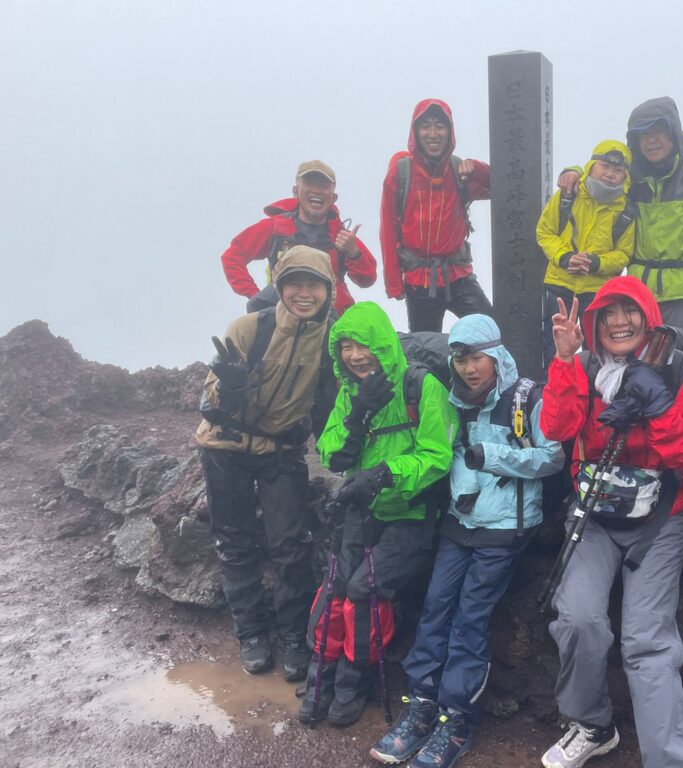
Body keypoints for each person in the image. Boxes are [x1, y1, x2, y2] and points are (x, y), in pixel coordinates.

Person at [367, 314, 564, 767]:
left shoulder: (526, 397)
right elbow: (447, 455)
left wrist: (490, 456)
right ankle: (421, 706)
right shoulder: (455, 400)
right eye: (460, 359)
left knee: (470, 618)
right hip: (461, 522)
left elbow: (552, 457)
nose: (469, 368)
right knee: (437, 606)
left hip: (505, 529)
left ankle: (457, 718)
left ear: (496, 355)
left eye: (477, 358)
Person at [539, 276, 683, 768]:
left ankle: (671, 759)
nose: (619, 322)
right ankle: (591, 724)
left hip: (659, 519)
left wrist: (656, 403)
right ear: (593, 324)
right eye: (607, 314)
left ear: (649, 316)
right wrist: (566, 360)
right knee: (577, 618)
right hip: (594, 515)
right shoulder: (587, 368)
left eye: (629, 311)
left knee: (647, 640)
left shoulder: (681, 373)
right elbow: (557, 428)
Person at [297, 301, 457, 727]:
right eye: (346, 347)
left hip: (410, 512)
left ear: (382, 344)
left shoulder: (421, 387)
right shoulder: (351, 392)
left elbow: (437, 457)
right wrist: (359, 414)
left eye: (363, 345)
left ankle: (354, 681)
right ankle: (320, 679)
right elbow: (331, 453)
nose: (354, 355)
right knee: (334, 590)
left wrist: (385, 473)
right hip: (361, 510)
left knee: (364, 590)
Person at [196, 245, 339, 681]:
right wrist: (229, 391)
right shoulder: (248, 327)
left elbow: (330, 404)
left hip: (281, 449)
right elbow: (209, 400)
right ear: (279, 286)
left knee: (291, 547)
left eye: (313, 284)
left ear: (328, 290)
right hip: (225, 446)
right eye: (294, 283)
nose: (303, 292)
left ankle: (296, 635)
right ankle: (252, 633)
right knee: (236, 542)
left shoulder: (331, 340)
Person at [558, 96, 683, 345]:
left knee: (678, 367)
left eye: (659, 130)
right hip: (637, 293)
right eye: (643, 134)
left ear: (675, 133)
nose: (651, 140)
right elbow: (603, 171)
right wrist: (574, 171)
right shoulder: (631, 174)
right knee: (632, 367)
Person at [380, 99, 492, 332]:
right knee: (425, 348)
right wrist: (393, 284)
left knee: (491, 330)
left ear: (450, 131)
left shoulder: (460, 169)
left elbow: (504, 185)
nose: (433, 134)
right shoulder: (400, 173)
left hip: (458, 274)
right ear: (415, 131)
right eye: (425, 126)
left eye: (440, 126)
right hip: (418, 280)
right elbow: (387, 230)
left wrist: (476, 168)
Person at [221, 159, 377, 315]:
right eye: (309, 183)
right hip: (283, 317)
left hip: (333, 321)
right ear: (295, 191)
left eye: (323, 185)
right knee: (243, 329)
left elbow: (367, 280)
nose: (316, 190)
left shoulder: (343, 237)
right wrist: (255, 295)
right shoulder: (274, 228)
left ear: (334, 197)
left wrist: (354, 253)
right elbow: (232, 256)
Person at [536, 140, 635, 366]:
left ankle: (592, 395)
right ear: (591, 166)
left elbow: (624, 253)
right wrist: (564, 257)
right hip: (559, 284)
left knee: (597, 350)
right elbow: (544, 231)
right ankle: (553, 393)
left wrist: (597, 263)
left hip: (598, 291)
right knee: (554, 346)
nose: (610, 174)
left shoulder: (627, 210)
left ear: (626, 176)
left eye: (618, 170)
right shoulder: (567, 195)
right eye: (604, 167)